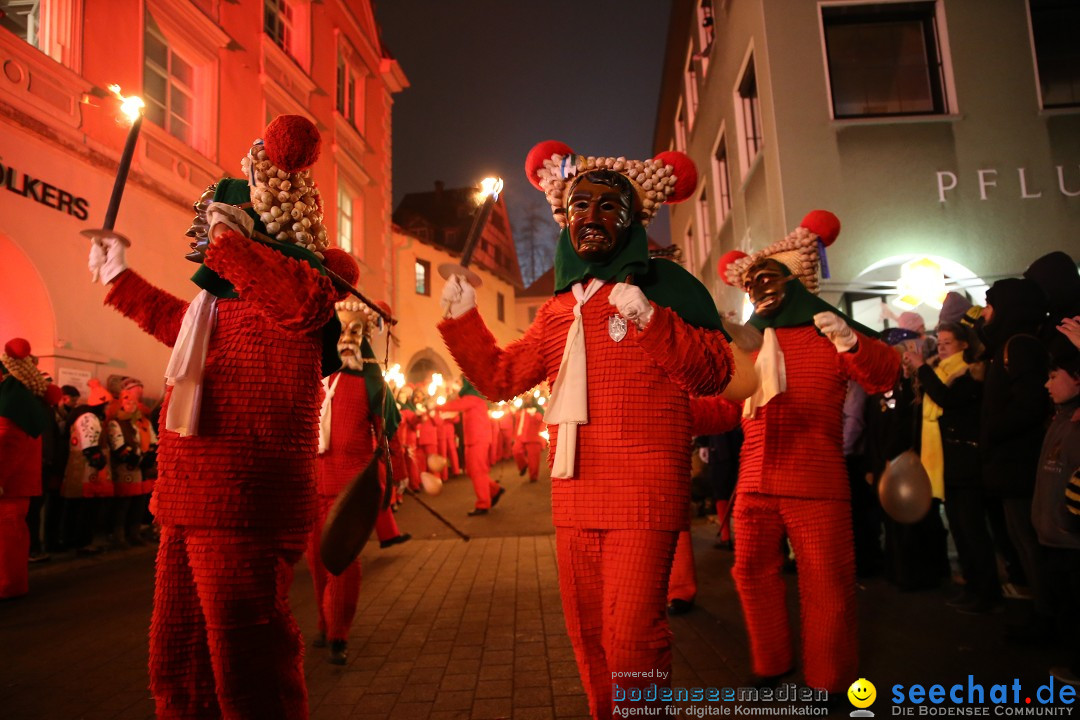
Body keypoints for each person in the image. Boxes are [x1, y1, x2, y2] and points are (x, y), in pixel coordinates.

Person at [439, 141, 750, 717]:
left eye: (610, 207)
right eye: (580, 206)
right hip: (574, 493)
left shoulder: (665, 289)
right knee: (589, 637)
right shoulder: (558, 309)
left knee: (633, 638)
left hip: (644, 492)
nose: (592, 217)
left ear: (633, 221)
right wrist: (462, 320)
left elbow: (714, 372)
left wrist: (653, 320)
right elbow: (502, 376)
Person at [86, 114, 357, 718]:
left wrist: (233, 248)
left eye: (220, 226)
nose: (209, 241)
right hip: (187, 500)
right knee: (176, 658)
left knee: (249, 661)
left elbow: (300, 304)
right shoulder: (219, 306)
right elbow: (173, 323)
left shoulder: (303, 289)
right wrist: (117, 275)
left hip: (243, 504)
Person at [717, 211, 899, 696]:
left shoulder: (825, 330)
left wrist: (850, 341)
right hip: (754, 480)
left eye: (768, 279)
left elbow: (885, 374)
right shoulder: (749, 344)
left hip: (814, 479)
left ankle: (830, 678)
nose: (759, 290)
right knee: (751, 572)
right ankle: (772, 659)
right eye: (752, 282)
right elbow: (720, 407)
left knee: (826, 582)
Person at [307, 299, 403, 665]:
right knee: (317, 562)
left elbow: (390, 434)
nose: (345, 339)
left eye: (354, 332)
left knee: (342, 562)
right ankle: (323, 622)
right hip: (312, 486)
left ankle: (338, 633)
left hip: (350, 489)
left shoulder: (372, 383)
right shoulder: (314, 379)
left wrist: (395, 479)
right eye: (341, 332)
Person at [979, 277, 1053, 641]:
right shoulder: (1004, 346)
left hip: (1021, 463)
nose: (984, 313)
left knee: (1030, 540)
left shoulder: (1019, 346)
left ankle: (1049, 617)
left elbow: (1029, 404)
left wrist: (990, 430)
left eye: (990, 305)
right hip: (1009, 463)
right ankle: (1042, 611)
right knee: (1021, 539)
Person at [908, 323, 1000, 612]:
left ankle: (988, 593)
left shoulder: (968, 374)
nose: (942, 347)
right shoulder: (940, 371)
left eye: (948, 342)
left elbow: (945, 399)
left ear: (963, 345)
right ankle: (973, 586)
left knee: (973, 531)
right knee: (959, 530)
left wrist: (922, 368)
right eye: (941, 342)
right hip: (948, 463)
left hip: (965, 463)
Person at [1030, 346, 1080, 685]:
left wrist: (1066, 519)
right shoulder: (1063, 418)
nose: (1047, 385)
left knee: (1075, 608)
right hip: (1058, 534)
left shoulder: (1076, 424)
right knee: (1067, 606)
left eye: (1053, 377)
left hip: (1070, 537)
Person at [0, 339, 61, 598]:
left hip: (8, 484)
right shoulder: (27, 402)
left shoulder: (11, 404)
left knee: (7, 538)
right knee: (14, 535)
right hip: (18, 483)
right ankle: (12, 583)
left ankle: (8, 586)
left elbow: (5, 446)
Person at [60, 379, 114, 555]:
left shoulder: (86, 415)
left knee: (79, 506)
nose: (107, 408)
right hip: (85, 470)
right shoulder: (89, 418)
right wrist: (99, 461)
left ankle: (75, 540)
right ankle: (81, 542)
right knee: (84, 507)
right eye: (106, 405)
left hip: (81, 468)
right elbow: (89, 444)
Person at [439, 378, 504, 515]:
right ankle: (494, 489)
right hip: (473, 440)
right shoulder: (473, 397)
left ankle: (483, 504)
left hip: (478, 439)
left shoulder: (473, 397)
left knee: (477, 471)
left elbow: (456, 405)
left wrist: (437, 406)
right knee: (473, 470)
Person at [512, 398, 546, 482]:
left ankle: (533, 477)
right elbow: (517, 423)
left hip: (533, 437)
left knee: (533, 459)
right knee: (516, 451)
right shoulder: (521, 409)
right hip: (521, 436)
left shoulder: (538, 409)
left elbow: (541, 420)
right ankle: (523, 465)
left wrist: (534, 415)